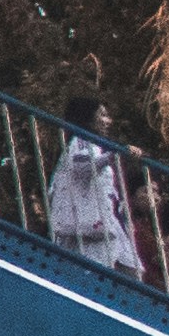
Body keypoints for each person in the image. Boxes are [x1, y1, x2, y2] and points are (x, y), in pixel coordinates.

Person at [49, 107, 147, 282]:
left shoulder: (95, 146)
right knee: (90, 276)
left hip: (107, 222)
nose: (108, 121)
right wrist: (114, 154)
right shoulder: (80, 141)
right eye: (102, 115)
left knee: (133, 271)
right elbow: (82, 166)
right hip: (88, 226)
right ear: (87, 119)